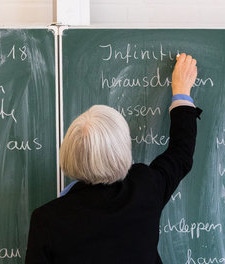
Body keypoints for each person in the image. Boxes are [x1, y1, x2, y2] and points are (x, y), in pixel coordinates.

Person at [25, 53, 201, 264]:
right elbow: (181, 153)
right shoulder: (145, 187)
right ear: (123, 150)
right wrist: (181, 92)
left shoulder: (47, 220)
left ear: (69, 152)